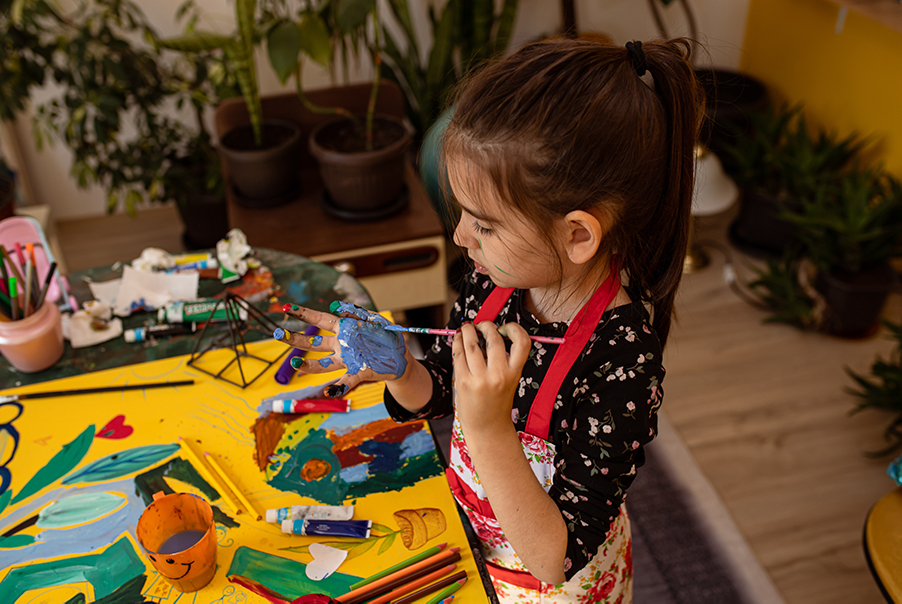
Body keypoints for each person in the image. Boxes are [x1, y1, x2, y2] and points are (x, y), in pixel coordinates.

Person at [277, 37, 702, 603]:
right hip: (476, 553)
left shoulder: (622, 360)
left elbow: (557, 557)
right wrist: (402, 367)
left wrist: (486, 428)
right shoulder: (495, 281)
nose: (459, 239)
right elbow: (448, 389)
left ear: (577, 234)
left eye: (483, 224)